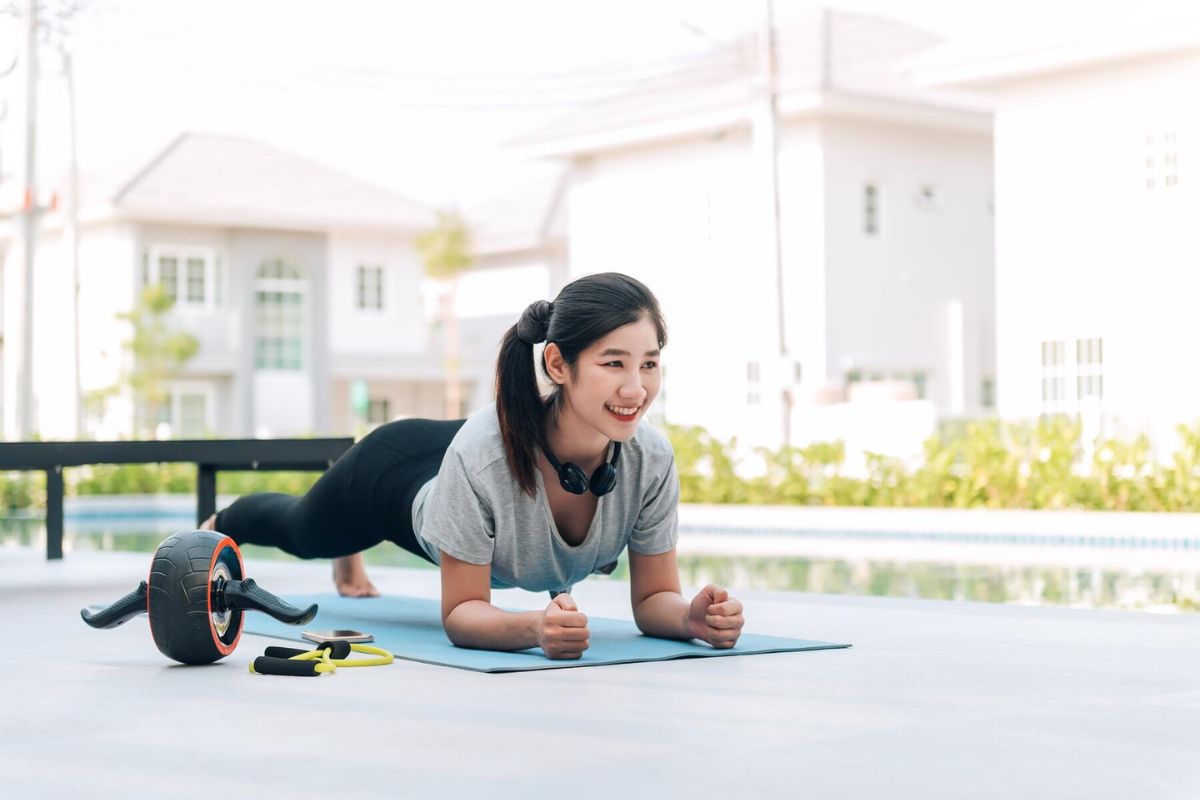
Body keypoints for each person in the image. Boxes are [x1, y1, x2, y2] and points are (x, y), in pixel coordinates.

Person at [202, 272, 744, 660]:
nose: (636, 388)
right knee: (303, 529)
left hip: (484, 449)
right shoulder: (481, 455)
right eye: (613, 364)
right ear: (558, 363)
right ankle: (224, 522)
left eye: (649, 364)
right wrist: (534, 628)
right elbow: (462, 611)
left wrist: (689, 619)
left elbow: (652, 601)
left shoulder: (649, 459)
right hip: (395, 470)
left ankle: (349, 559)